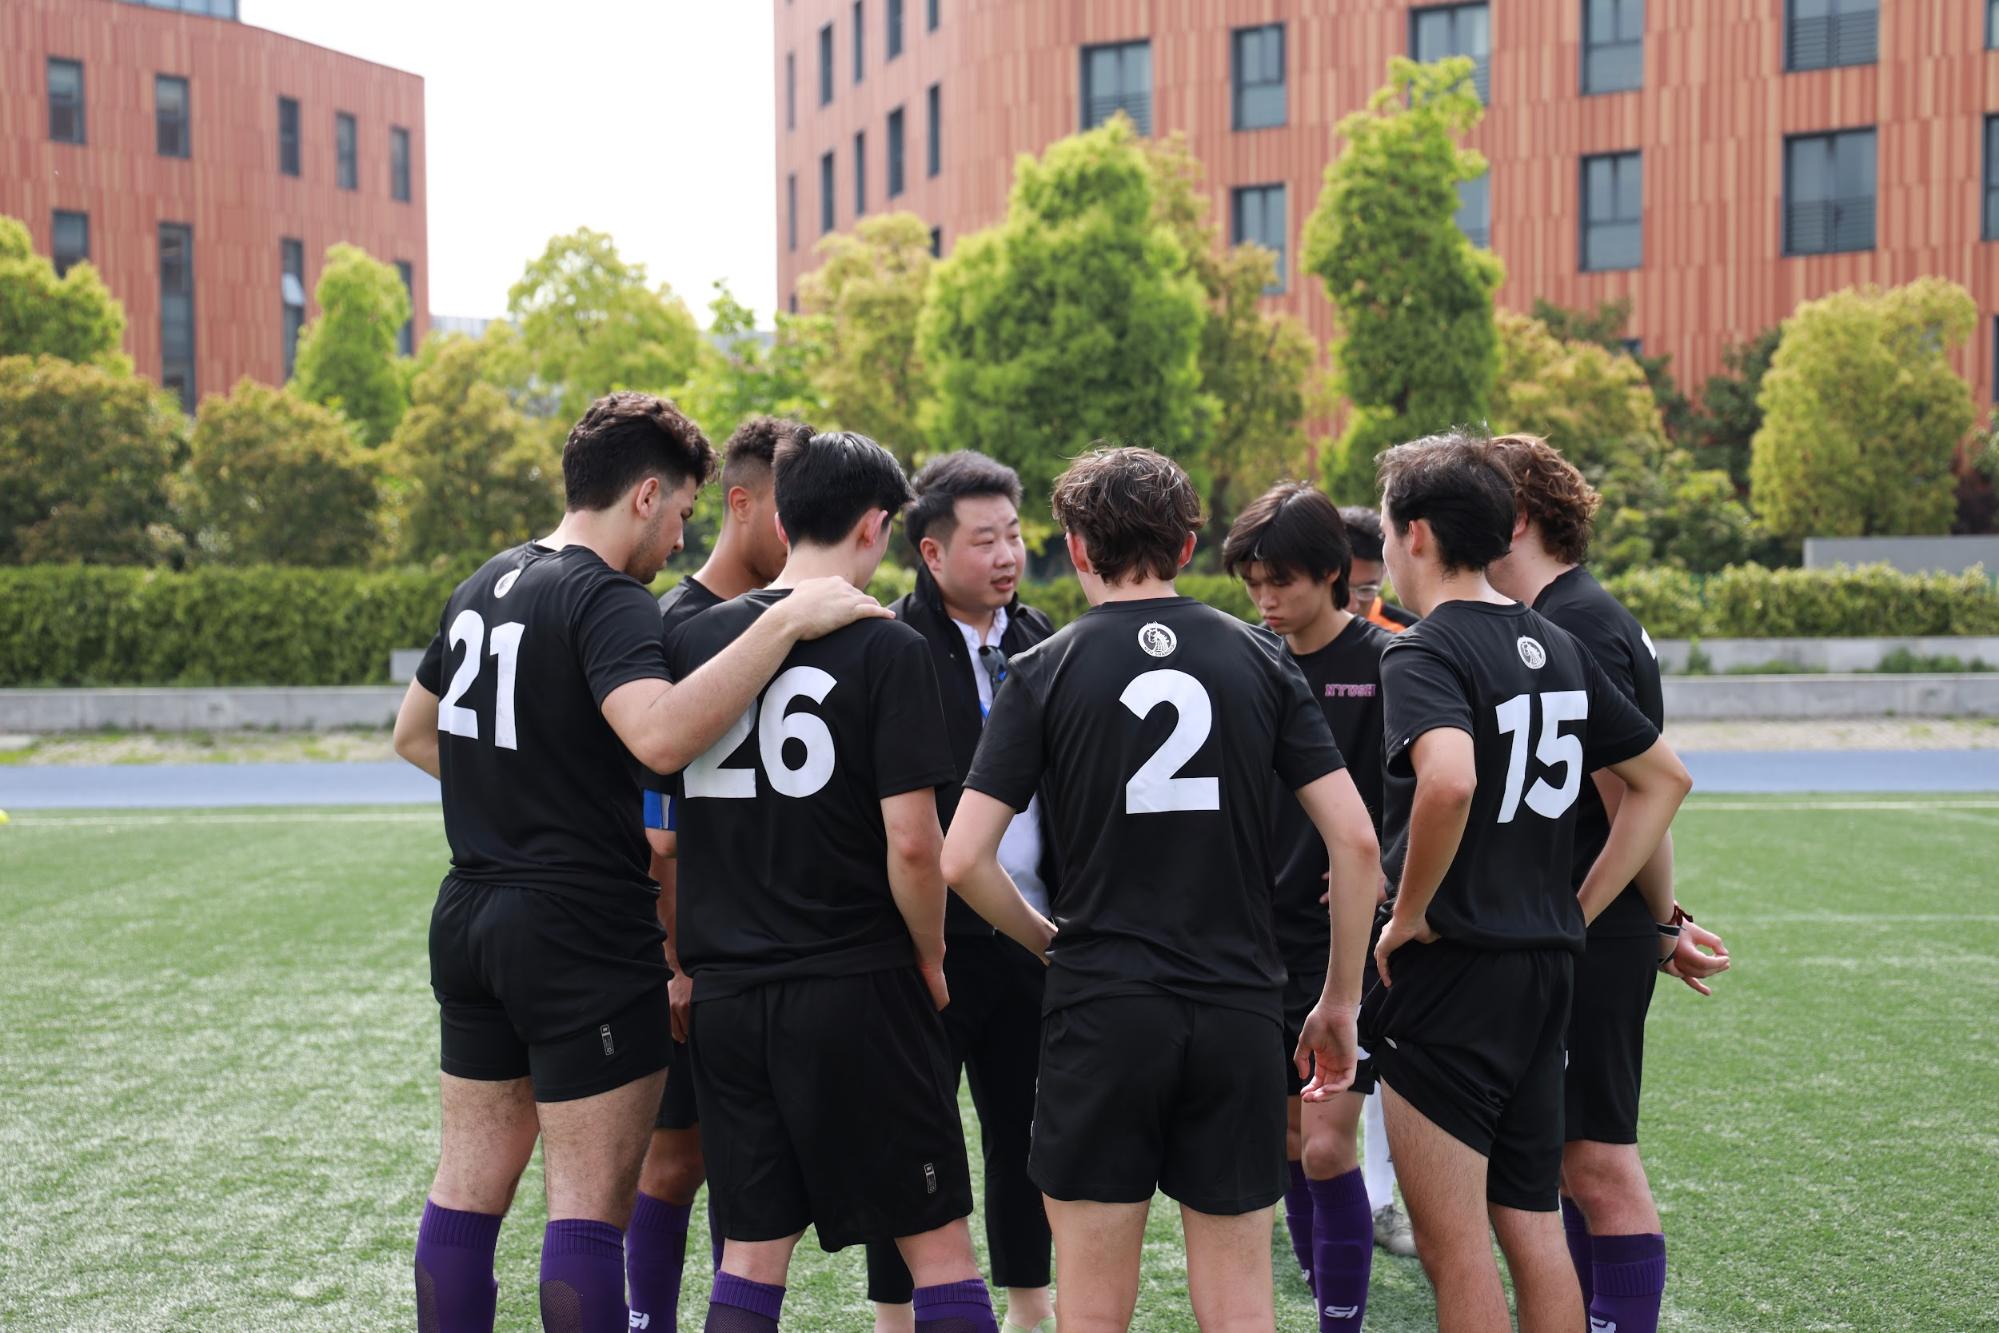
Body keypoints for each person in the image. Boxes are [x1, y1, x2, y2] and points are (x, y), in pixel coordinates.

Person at [389, 393, 887, 1333]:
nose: (675, 541)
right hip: (578, 926)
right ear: (646, 494)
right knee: (586, 1210)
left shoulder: (483, 582)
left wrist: (528, 783)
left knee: (465, 1190)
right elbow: (659, 738)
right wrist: (781, 625)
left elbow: (414, 732)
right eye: (683, 514)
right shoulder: (606, 595)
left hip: (469, 914)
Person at [940, 446, 1382, 1331]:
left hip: (1102, 1005)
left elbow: (961, 861)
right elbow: (1358, 840)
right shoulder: (1262, 659)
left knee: (1095, 1306)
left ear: (1072, 546)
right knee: (1237, 1300)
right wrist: (1338, 1001)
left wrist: (1045, 939)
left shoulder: (1044, 668)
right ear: (1187, 547)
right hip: (1235, 1005)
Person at [661, 430, 998, 1333]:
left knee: (749, 1257)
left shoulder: (688, 635)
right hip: (855, 980)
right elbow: (915, 845)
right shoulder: (887, 646)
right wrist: (929, 954)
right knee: (938, 1248)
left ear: (778, 513)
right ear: (877, 525)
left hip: (731, 993)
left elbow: (663, 833)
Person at [1361, 432, 1693, 1333]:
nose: (1383, 550)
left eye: (1387, 530)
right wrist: (1592, 914)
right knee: (1533, 1220)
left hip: (1455, 969)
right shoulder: (1553, 636)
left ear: (1417, 534)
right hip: (1546, 967)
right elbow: (1664, 777)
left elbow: (1450, 779)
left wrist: (1410, 913)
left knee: (1455, 1244)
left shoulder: (1421, 649)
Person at [1483, 433, 1731, 1333]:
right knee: (1567, 1162)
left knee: (1595, 1164)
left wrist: (1587, 916)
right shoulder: (1576, 611)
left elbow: (1635, 792)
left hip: (1580, 929)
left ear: (1511, 517)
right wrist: (1660, 921)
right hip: (1594, 924)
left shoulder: (1572, 623)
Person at [628, 415, 812, 1332]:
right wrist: (672, 958)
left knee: (745, 1168)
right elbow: (656, 834)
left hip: (779, 962)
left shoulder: (803, 619)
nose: (806, 528)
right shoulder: (673, 630)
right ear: (739, 505)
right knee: (674, 1160)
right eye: (792, 508)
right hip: (698, 958)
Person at [868, 452, 1059, 1333]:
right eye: (984, 539)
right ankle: (894, 1315)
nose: (1006, 554)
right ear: (932, 552)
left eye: (1013, 534)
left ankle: (1029, 1305)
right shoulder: (891, 647)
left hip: (1025, 931)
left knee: (1026, 1134)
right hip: (922, 941)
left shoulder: (1040, 639)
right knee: (909, 1135)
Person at [1223, 482, 1393, 1331]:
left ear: (1332, 572)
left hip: (1349, 947)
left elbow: (1440, 783)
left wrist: (1388, 864)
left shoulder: (1389, 661)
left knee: (1328, 1145)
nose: (1265, 601)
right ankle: (1321, 1277)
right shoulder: (1247, 659)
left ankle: (1339, 1321)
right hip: (1255, 937)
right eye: (1252, 583)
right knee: (1287, 1143)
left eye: (1280, 581)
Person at [1337, 506, 1419, 634]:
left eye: (1366, 590)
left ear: (1385, 571)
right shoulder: (1300, 627)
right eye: (1341, 587)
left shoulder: (1406, 635)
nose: (1352, 606)